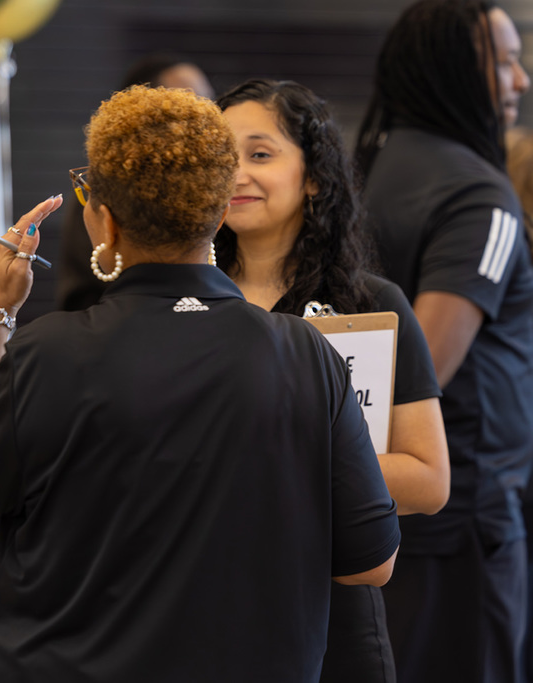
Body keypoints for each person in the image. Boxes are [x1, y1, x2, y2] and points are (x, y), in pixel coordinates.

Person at [0, 85, 400, 682]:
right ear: (220, 213)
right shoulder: (308, 356)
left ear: (104, 221)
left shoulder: (51, 355)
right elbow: (370, 565)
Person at [215, 78, 450, 683]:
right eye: (221, 156)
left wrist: (279, 463)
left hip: (333, 610)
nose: (236, 173)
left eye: (260, 154)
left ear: (314, 175)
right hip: (201, 603)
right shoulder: (186, 301)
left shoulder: (372, 304)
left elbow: (428, 480)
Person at [355, 2, 533, 681]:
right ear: (457, 68)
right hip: (458, 518)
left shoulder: (366, 167)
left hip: (376, 511)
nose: (519, 80)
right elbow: (426, 361)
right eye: (505, 59)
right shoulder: (481, 196)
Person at [55, 54, 214, 311]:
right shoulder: (100, 191)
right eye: (187, 98)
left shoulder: (212, 187)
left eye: (207, 98)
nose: (202, 109)